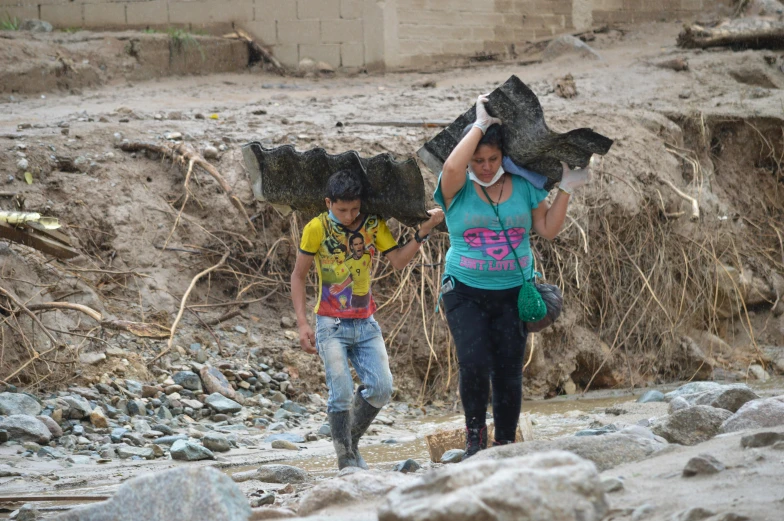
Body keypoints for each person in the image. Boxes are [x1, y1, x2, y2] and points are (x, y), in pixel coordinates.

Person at [435, 94, 592, 458]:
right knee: (473, 362)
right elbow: (452, 167)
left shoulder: (524, 185)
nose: (486, 167)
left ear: (503, 157)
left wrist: (566, 188)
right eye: (479, 160)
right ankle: (474, 439)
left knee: (508, 369)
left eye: (493, 159)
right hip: (463, 290)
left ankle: (504, 443)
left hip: (513, 292)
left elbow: (547, 229)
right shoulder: (455, 189)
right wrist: (479, 125)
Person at [291, 169, 444, 469]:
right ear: (328, 203)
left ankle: (349, 442)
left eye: (354, 209)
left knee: (382, 387)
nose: (349, 216)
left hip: (365, 323)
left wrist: (422, 232)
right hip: (329, 324)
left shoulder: (373, 225)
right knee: (342, 393)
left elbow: (398, 261)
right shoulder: (316, 228)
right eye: (342, 209)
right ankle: (346, 460)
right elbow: (298, 276)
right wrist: (302, 323)